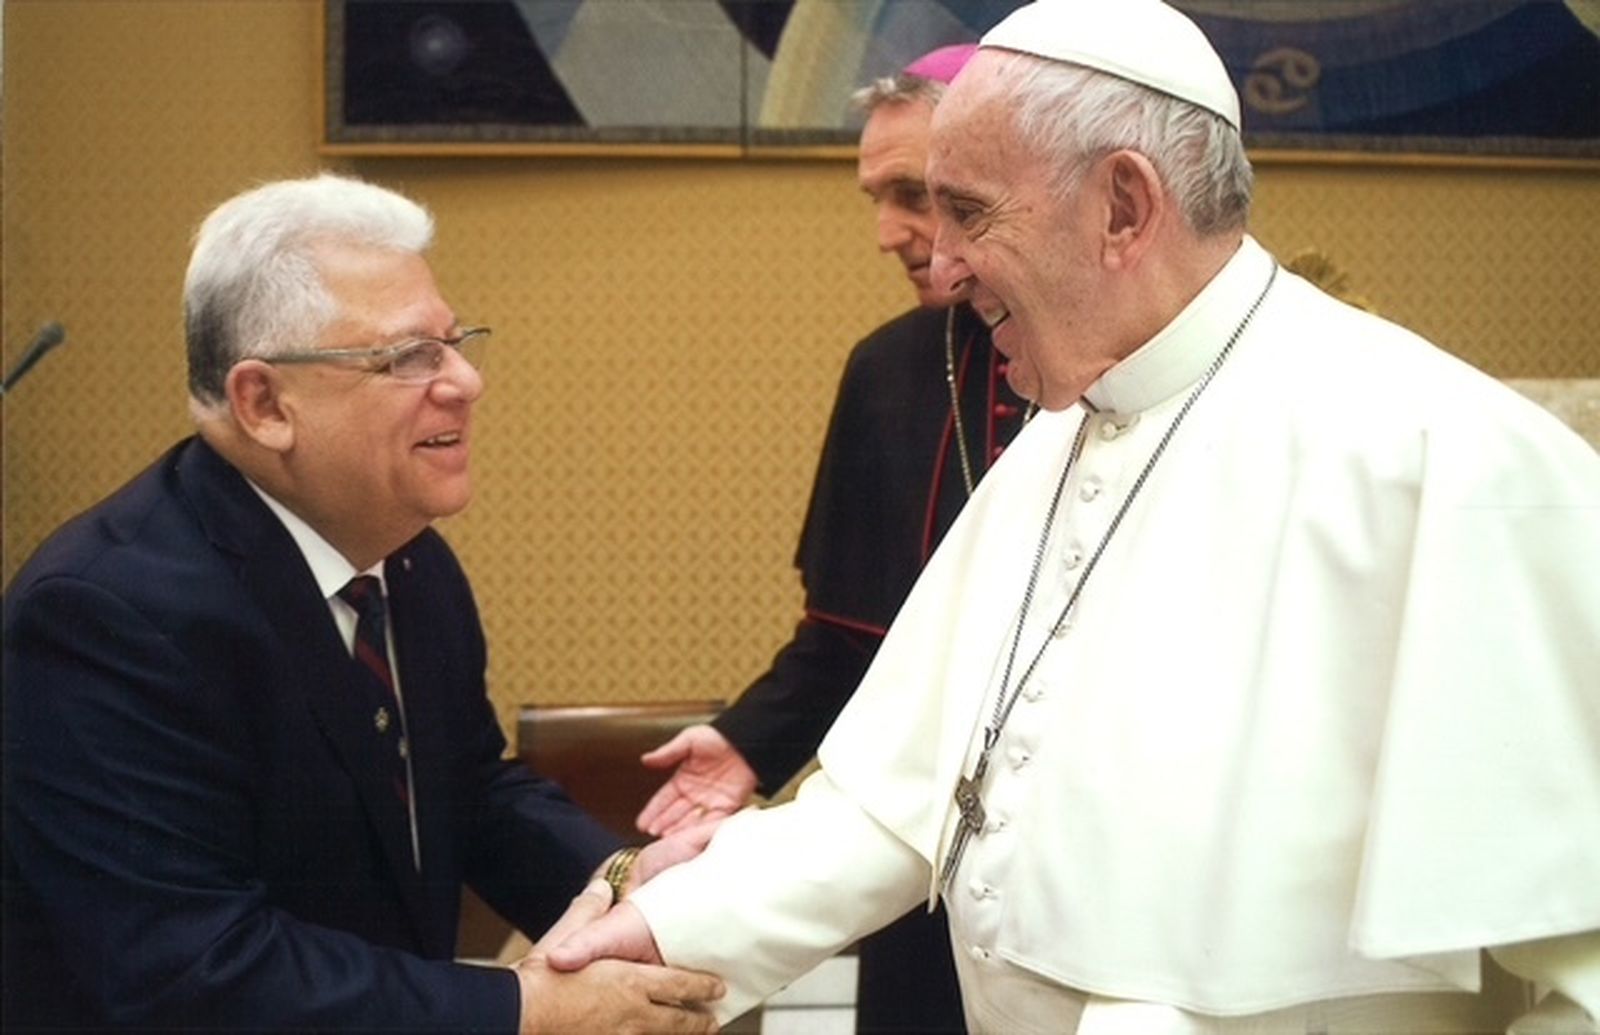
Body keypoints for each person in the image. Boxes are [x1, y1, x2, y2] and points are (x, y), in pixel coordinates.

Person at [550, 2, 1600, 1032]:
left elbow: (1581, 970)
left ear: (1123, 207)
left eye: (969, 211)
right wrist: (669, 925)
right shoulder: (1059, 434)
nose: (942, 264)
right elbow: (903, 802)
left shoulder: (1455, 460)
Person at [1, 173, 721, 1033]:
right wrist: (523, 1008)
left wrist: (622, 878)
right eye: (409, 356)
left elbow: (468, 788)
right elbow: (193, 969)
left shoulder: (407, 560)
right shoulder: (101, 617)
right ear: (264, 403)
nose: (464, 382)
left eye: (456, 343)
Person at [634, 43, 1024, 1032]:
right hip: (918, 863)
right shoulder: (887, 369)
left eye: (913, 194)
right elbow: (850, 633)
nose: (887, 232)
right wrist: (744, 744)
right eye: (874, 197)